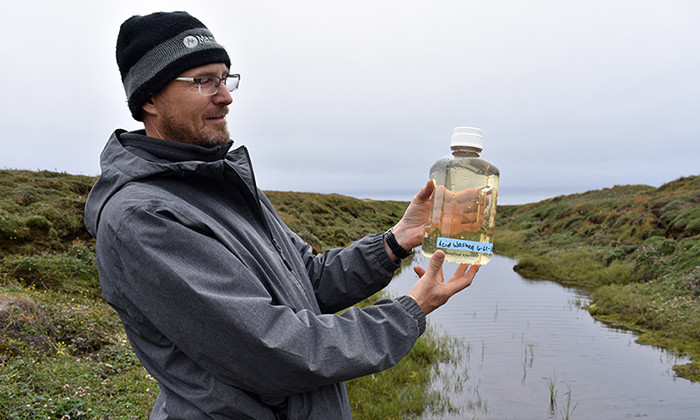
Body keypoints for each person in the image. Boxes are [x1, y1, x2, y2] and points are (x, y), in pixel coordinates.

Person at [84, 11, 480, 419]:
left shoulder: (225, 183)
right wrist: (409, 310)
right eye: (203, 81)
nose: (225, 96)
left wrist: (394, 242)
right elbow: (275, 350)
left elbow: (308, 280)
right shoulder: (142, 219)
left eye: (225, 78)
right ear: (149, 98)